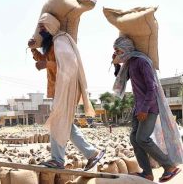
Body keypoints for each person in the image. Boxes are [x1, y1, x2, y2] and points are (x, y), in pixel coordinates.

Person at [28, 13, 104, 171]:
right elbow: (48, 60)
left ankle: (58, 159)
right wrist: (34, 50)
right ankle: (92, 154)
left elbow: (68, 66)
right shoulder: (52, 44)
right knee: (66, 125)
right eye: (40, 27)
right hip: (59, 90)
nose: (41, 30)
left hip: (67, 89)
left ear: (51, 26)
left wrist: (46, 64)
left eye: (43, 26)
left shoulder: (60, 40)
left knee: (58, 122)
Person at [112, 36, 182, 182]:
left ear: (126, 49)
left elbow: (152, 88)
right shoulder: (130, 64)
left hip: (149, 107)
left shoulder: (141, 62)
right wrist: (116, 65)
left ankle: (169, 166)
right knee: (134, 138)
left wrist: (144, 109)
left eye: (118, 50)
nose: (116, 53)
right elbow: (122, 79)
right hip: (139, 106)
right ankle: (147, 173)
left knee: (142, 138)